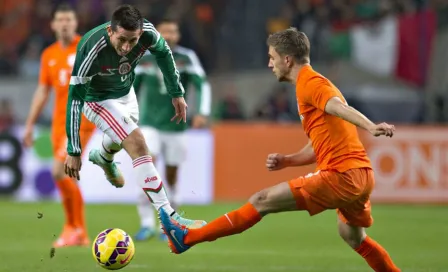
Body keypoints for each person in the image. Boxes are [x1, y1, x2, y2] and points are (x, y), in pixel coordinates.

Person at [160, 28, 401, 272]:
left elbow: (337, 107)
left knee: (261, 200)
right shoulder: (310, 84)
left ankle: (187, 238)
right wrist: (289, 160)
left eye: (272, 57)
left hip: (342, 175)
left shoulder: (310, 82)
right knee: (353, 238)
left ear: (287, 60)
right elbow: (321, 142)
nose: (269, 64)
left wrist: (371, 126)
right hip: (361, 174)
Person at [63, 4, 206, 230]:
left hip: (126, 94)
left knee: (121, 137)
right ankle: (170, 219)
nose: (127, 47)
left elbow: (165, 55)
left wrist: (176, 93)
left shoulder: (148, 33)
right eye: (122, 40)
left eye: (133, 40)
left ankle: (103, 156)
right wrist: (73, 149)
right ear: (111, 31)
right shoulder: (90, 48)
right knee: (138, 143)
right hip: (97, 100)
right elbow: (74, 98)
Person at [23, 3, 95, 248]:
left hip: (82, 121)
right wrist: (30, 125)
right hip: (58, 125)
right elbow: (43, 90)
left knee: (59, 171)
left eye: (69, 20)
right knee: (69, 178)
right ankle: (80, 233)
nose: (65, 24)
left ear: (76, 24)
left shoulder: (85, 48)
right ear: (53, 24)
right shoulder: (49, 55)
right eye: (60, 20)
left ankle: (72, 228)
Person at [133, 18, 211, 241]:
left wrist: (202, 112)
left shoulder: (187, 57)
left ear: (178, 35)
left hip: (176, 126)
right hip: (148, 122)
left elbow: (202, 84)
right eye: (165, 31)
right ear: (157, 33)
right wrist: (125, 113)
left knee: (172, 175)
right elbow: (131, 87)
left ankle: (169, 223)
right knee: (148, 168)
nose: (169, 35)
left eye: (173, 31)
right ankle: (146, 222)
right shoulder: (143, 56)